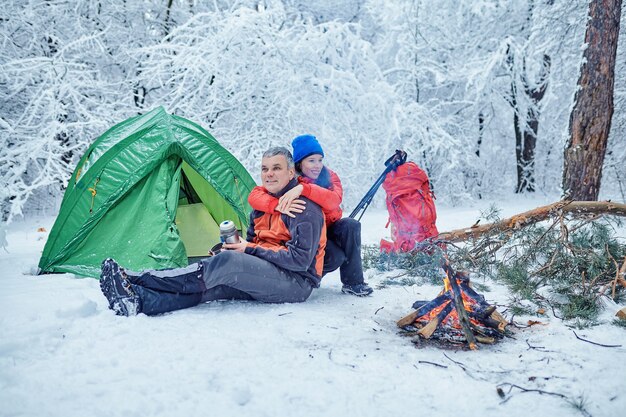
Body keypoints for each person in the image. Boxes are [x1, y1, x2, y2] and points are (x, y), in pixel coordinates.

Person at [99, 147, 326, 316]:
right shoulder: (262, 206)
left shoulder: (304, 209)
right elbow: (253, 243)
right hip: (272, 273)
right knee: (218, 284)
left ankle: (137, 278)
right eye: (265, 169)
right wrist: (237, 248)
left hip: (297, 283)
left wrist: (246, 250)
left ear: (290, 173)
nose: (269, 174)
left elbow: (299, 261)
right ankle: (139, 300)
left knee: (228, 264)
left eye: (277, 168)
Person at [247, 134, 373, 296]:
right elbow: (255, 195)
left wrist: (304, 189)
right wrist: (277, 205)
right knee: (335, 256)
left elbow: (334, 200)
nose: (317, 165)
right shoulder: (290, 179)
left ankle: (354, 283)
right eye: (311, 161)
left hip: (328, 228)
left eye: (320, 160)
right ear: (299, 163)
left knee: (350, 225)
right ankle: (305, 275)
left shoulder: (329, 177)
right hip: (303, 234)